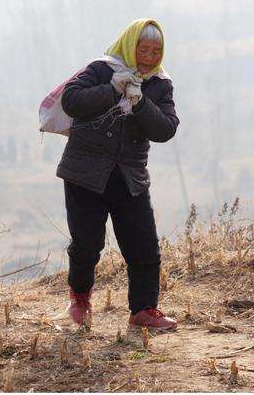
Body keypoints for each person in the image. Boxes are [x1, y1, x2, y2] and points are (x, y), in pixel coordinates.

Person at [56, 18, 180, 330]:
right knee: (87, 243)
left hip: (130, 177)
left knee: (144, 245)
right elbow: (71, 101)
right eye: (143, 49)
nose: (149, 57)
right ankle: (80, 299)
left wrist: (141, 102)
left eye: (156, 51)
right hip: (85, 174)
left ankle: (143, 310)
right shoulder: (102, 69)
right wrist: (112, 89)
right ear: (129, 45)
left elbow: (166, 129)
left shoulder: (160, 84)